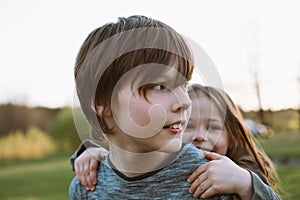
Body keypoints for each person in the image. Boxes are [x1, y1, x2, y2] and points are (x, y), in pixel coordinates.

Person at [69, 15, 235, 199]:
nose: (185, 102)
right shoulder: (85, 189)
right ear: (101, 103)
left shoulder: (212, 181)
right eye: (159, 86)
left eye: (184, 86)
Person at [72, 84, 282, 199]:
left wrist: (246, 184)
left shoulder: (241, 180)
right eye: (189, 126)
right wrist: (93, 152)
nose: (200, 136)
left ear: (232, 136)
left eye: (214, 128)